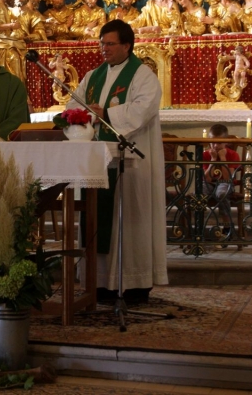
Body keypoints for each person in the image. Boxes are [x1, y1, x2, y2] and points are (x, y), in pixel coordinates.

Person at [67, 19, 168, 304]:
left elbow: (143, 108)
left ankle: (135, 284)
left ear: (127, 45)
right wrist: (80, 115)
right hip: (96, 161)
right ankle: (98, 283)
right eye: (102, 44)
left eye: (110, 44)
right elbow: (73, 105)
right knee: (97, 217)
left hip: (131, 163)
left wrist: (106, 114)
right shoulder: (92, 76)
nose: (104, 49)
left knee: (130, 219)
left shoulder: (143, 75)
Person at [202, 124, 240, 232]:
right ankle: (199, 226)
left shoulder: (233, 155)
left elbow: (228, 178)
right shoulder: (205, 155)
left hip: (225, 182)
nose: (215, 146)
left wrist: (223, 158)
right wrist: (213, 160)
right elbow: (207, 179)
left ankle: (227, 226)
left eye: (219, 143)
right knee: (199, 193)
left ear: (226, 142)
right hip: (209, 183)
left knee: (222, 193)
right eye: (213, 142)